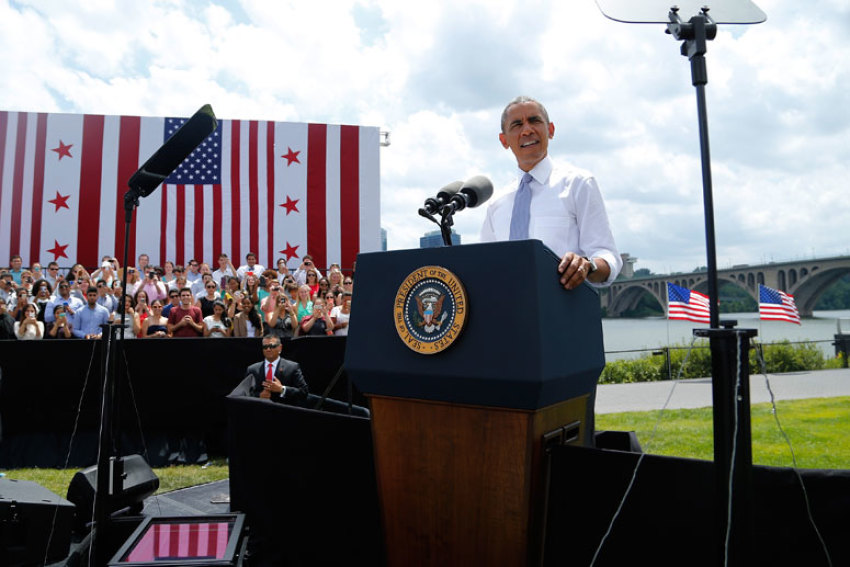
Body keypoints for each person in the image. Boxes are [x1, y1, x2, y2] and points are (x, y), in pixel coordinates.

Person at [480, 96, 622, 290]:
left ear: (551, 130)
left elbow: (608, 255)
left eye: (534, 121)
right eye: (517, 124)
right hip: (510, 315)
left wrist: (588, 266)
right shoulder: (497, 204)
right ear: (504, 140)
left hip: (564, 314)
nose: (527, 130)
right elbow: (485, 267)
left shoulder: (578, 184)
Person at [230, 336, 308, 403]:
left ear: (280, 348)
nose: (268, 349)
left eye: (272, 346)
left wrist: (282, 389)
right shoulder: (252, 369)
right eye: (265, 347)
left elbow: (304, 393)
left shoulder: (292, 367)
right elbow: (244, 393)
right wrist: (259, 396)